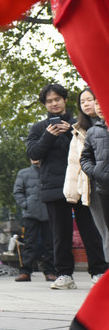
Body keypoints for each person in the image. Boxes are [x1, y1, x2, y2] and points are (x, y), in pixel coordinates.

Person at [26, 83, 108, 289]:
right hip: (53, 187)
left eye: (57, 99)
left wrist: (69, 132)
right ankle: (63, 274)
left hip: (82, 184)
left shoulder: (80, 123)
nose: (54, 104)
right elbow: (33, 153)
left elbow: (93, 150)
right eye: (49, 101)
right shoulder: (38, 128)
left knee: (91, 231)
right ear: (44, 104)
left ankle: (98, 271)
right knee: (59, 235)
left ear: (64, 100)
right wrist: (49, 134)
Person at [67, 88, 109, 259]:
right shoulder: (81, 129)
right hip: (94, 184)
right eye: (82, 101)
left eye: (90, 99)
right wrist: (96, 172)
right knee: (104, 230)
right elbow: (77, 161)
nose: (87, 104)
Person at [13, 159, 56, 282]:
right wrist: (26, 204)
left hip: (48, 212)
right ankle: (25, 272)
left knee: (50, 244)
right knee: (29, 243)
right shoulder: (23, 173)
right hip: (30, 214)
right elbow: (17, 191)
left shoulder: (49, 171)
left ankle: (50, 272)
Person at [80, 93, 109, 263]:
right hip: (104, 188)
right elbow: (85, 158)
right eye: (95, 103)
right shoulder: (93, 131)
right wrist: (95, 172)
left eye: (101, 102)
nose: (98, 107)